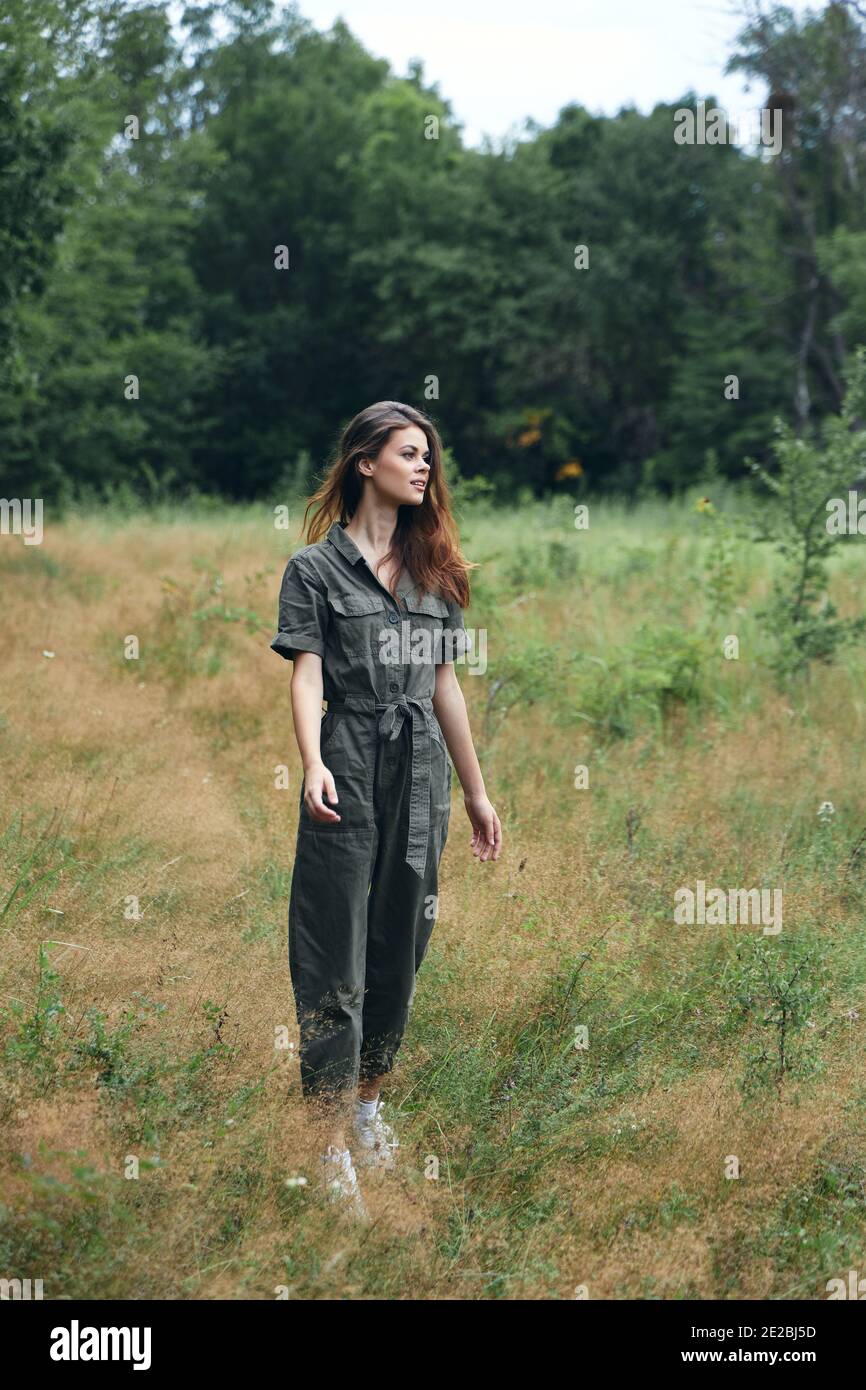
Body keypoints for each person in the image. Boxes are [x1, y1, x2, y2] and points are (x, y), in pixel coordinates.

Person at [271, 401, 502, 1217]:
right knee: (336, 953)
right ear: (365, 461)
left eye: (429, 458)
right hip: (349, 766)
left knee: (402, 949)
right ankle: (327, 1147)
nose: (424, 468)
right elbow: (306, 674)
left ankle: (368, 1107)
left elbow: (445, 687)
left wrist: (474, 793)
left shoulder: (436, 570)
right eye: (410, 454)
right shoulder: (315, 571)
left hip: (422, 780)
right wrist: (311, 763)